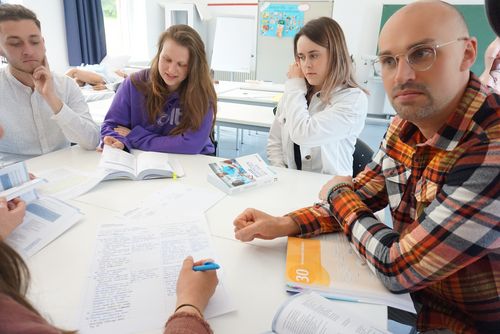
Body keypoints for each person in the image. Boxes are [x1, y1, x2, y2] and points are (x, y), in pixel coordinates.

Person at [234, 1, 499, 333]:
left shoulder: (491, 146)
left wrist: (337, 192)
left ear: (467, 53)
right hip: (417, 302)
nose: (402, 76)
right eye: (388, 60)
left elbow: (397, 265)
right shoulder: (405, 126)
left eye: (421, 54)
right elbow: (365, 191)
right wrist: (285, 222)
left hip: (465, 321)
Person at [0, 4, 100, 166]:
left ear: (43, 43)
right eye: (15, 44)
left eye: (34, 41)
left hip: (68, 171)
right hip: (15, 178)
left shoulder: (66, 85)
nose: (28, 51)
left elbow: (91, 141)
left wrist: (51, 98)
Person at [267, 17, 368, 175]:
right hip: (290, 185)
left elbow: (304, 134)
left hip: (330, 192)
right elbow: (275, 141)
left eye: (314, 55)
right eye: (301, 57)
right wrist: (281, 175)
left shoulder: (353, 99)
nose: (306, 64)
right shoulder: (295, 92)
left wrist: (294, 85)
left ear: (335, 55)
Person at [100, 24, 217, 155]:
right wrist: (116, 141)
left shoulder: (202, 93)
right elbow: (111, 126)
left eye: (182, 64)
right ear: (158, 54)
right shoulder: (134, 83)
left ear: (194, 66)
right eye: (167, 59)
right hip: (141, 159)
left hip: (193, 161)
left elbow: (190, 145)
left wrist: (135, 136)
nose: (171, 70)